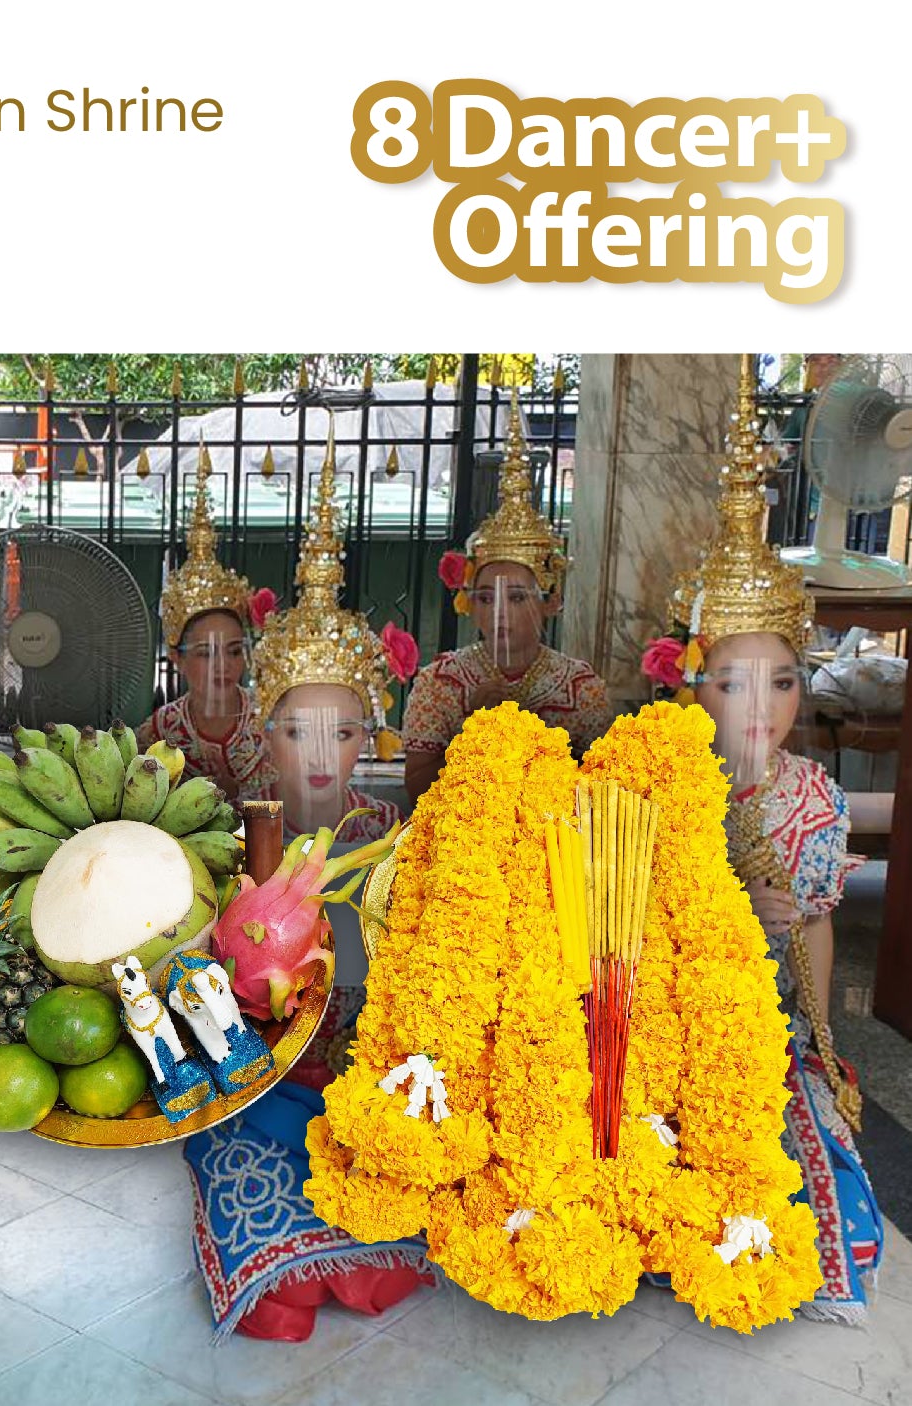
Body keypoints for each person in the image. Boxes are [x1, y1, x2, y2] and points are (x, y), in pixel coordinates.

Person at [642, 355, 880, 1322]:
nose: (760, 707)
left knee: (802, 1167)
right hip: (667, 1017)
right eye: (731, 682)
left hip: (767, 1025)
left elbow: (818, 924)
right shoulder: (653, 784)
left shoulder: (814, 798)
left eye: (781, 681)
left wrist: (814, 1045)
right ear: (689, 683)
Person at [183, 438, 430, 1342]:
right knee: (276, 1279)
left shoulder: (401, 840)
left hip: (375, 1071)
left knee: (385, 1242)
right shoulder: (223, 836)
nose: (320, 759)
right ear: (264, 732)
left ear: (371, 738)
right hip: (258, 1081)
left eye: (343, 733)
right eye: (296, 733)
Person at [401, 394, 610, 804]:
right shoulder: (441, 682)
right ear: (469, 603)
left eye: (517, 597)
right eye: (485, 597)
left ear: (551, 600)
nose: (499, 612)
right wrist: (469, 731)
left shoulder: (580, 688)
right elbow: (418, 791)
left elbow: (600, 798)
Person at [137, 444, 275, 802]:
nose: (223, 666)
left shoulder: (271, 725)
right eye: (205, 653)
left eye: (233, 651)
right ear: (175, 656)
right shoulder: (156, 734)